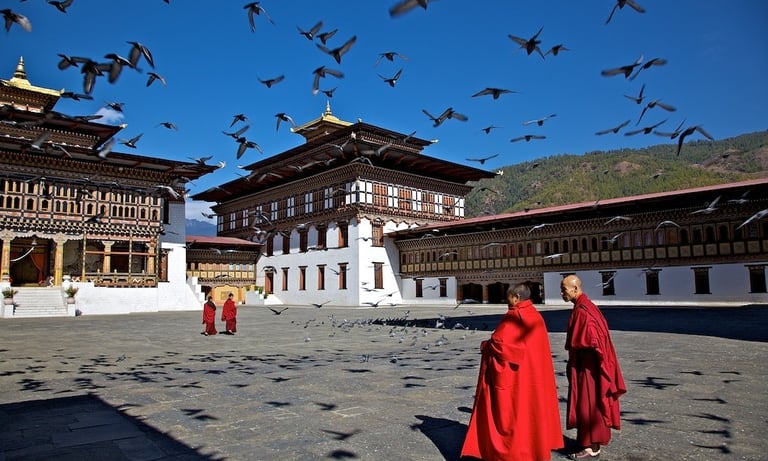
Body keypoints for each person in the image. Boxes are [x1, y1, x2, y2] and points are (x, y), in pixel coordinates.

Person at [460, 283, 563, 461]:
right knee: (530, 416)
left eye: (508, 297)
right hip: (533, 378)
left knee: (512, 417)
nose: (506, 301)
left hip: (515, 380)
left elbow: (499, 346)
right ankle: (532, 450)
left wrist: (485, 346)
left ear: (516, 297)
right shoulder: (536, 316)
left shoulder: (514, 316)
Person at [560, 275, 626, 460]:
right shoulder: (584, 307)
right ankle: (587, 440)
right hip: (586, 364)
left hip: (589, 367)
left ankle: (592, 446)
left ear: (575, 289)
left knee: (590, 404)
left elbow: (592, 340)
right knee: (586, 404)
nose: (562, 293)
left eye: (564, 290)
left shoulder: (584, 311)